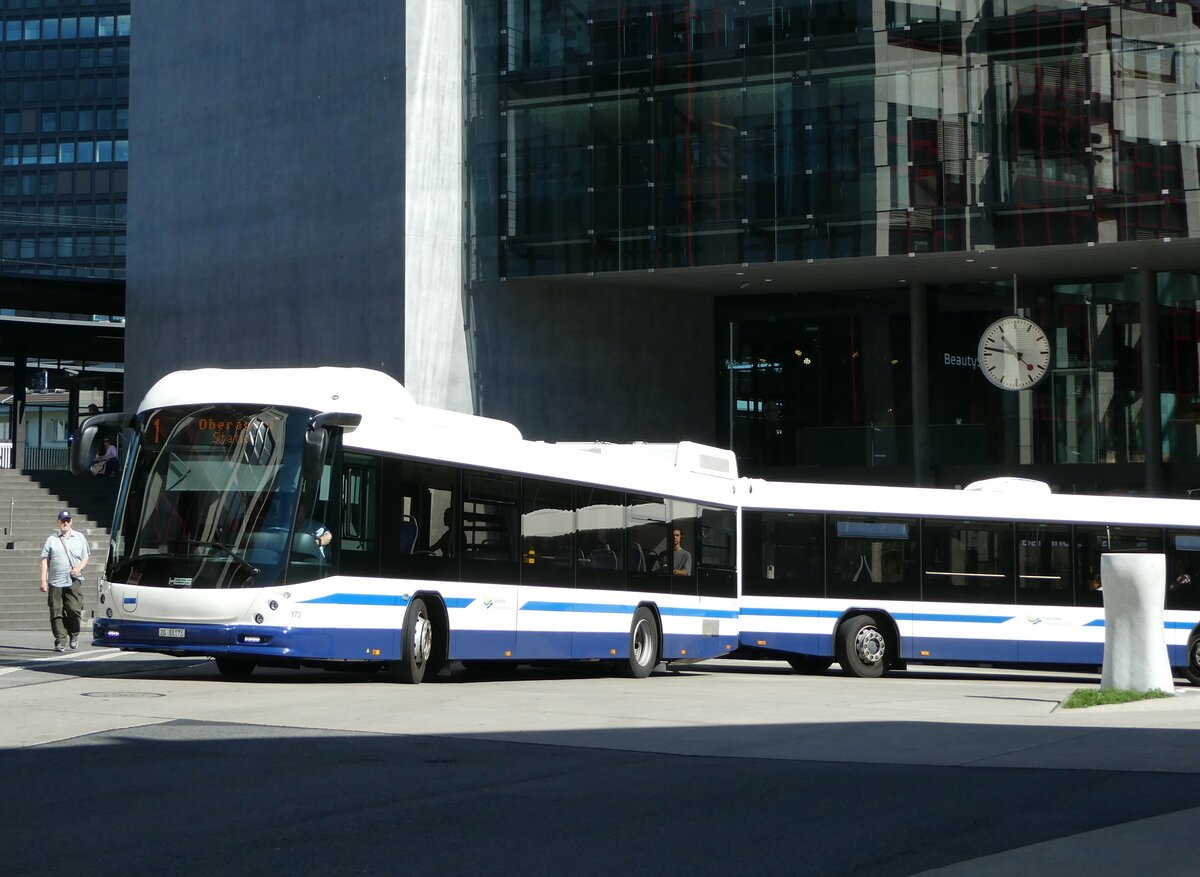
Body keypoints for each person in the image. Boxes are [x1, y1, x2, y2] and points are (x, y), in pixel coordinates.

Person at [39, 510, 90, 652]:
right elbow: (44, 561)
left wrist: (79, 568)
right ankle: (60, 640)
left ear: (71, 522)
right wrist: (43, 580)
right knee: (56, 611)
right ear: (58, 522)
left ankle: (73, 634)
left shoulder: (79, 537)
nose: (65, 523)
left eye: (67, 520)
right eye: (62, 520)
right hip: (55, 581)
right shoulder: (52, 539)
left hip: (74, 579)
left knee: (73, 608)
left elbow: (86, 556)